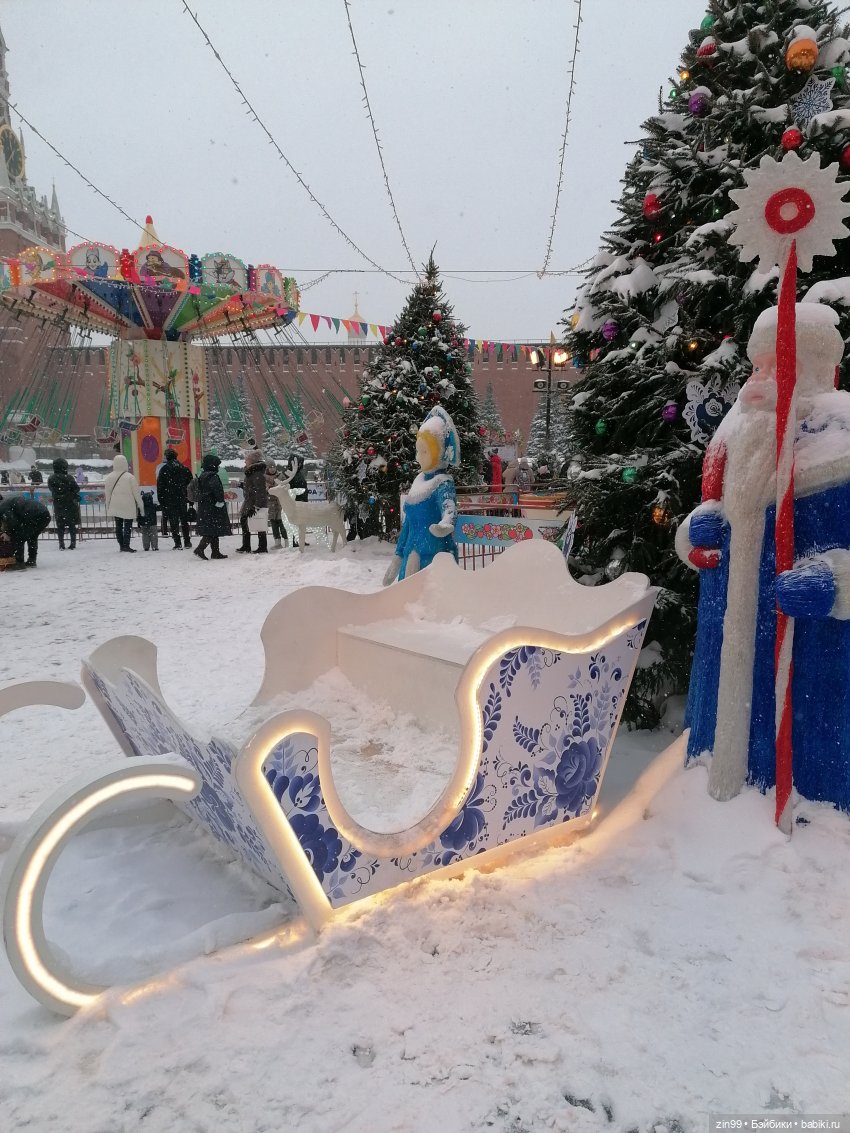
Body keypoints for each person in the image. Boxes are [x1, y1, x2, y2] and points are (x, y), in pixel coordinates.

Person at [678, 303, 850, 811]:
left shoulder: (842, 445)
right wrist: (693, 537)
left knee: (809, 746)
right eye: (758, 366)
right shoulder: (731, 440)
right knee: (714, 738)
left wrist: (836, 580)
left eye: (780, 366)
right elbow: (705, 521)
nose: (760, 381)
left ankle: (804, 814)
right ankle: (708, 794)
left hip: (812, 668)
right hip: (723, 645)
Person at [383, 406, 459, 585]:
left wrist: (446, 524)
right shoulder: (418, 481)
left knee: (430, 598)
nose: (418, 457)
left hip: (434, 554)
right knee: (407, 598)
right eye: (418, 451)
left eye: (424, 451)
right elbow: (409, 524)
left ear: (438, 452)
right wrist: (397, 557)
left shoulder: (442, 482)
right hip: (411, 552)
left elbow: (449, 507)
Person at [194, 453, 231, 560]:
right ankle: (200, 549)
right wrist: (220, 502)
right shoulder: (213, 476)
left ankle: (215, 552)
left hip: (205, 506)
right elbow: (217, 491)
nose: (218, 467)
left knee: (213, 530)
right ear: (213, 465)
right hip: (213, 507)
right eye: (217, 465)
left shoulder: (203, 475)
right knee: (212, 530)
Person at [104, 454, 143, 553]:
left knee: (118, 526)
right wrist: (140, 506)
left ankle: (121, 545)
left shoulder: (109, 477)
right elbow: (136, 494)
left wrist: (108, 505)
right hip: (128, 505)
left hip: (115, 505)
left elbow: (107, 494)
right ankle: (126, 545)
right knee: (127, 526)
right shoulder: (130, 477)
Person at [0, 493, 51, 567]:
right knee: (32, 537)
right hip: (44, 514)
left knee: (18, 537)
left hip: (34, 516)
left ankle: (19, 563)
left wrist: (7, 533)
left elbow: (12, 522)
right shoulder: (7, 502)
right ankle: (31, 560)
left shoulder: (2, 506)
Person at [156, 448, 194, 549]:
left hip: (169, 499)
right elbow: (190, 485)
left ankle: (177, 543)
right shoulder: (184, 468)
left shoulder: (164, 469)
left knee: (173, 521)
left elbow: (160, 487)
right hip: (182, 498)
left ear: (167, 457)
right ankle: (187, 541)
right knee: (184, 520)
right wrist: (189, 499)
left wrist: (161, 500)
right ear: (176, 456)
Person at [236, 449, 269, 554]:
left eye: (247, 459)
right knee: (246, 522)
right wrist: (242, 485)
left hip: (254, 503)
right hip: (251, 502)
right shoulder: (252, 472)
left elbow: (260, 491)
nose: (245, 462)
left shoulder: (256, 473)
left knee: (259, 523)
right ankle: (247, 545)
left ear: (252, 460)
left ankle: (261, 546)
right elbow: (253, 487)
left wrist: (256, 506)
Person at [47, 457, 81, 550]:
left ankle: (61, 543)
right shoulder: (69, 477)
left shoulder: (51, 478)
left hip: (58, 504)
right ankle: (73, 543)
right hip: (70, 504)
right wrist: (70, 494)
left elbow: (51, 489)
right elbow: (76, 489)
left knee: (60, 525)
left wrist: (59, 495)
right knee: (71, 525)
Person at [282, 453, 308, 546]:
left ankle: (300, 539)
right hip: (294, 501)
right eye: (299, 463)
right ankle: (294, 540)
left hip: (302, 501)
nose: (300, 465)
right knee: (294, 522)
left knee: (301, 522)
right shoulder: (288, 474)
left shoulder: (299, 473)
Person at [265, 460, 288, 549]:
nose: (272, 469)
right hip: (270, 504)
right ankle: (277, 542)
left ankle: (287, 541)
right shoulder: (264, 478)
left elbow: (285, 487)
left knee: (282, 523)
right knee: (274, 524)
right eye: (270, 467)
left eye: (273, 467)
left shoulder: (280, 476)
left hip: (280, 503)